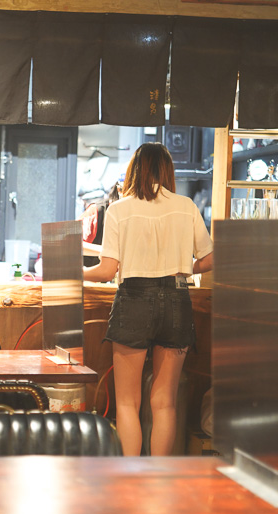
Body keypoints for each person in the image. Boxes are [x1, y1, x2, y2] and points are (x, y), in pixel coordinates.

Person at [84, 143, 213, 456]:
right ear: (167, 170)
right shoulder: (186, 206)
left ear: (135, 170)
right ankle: (159, 478)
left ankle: (131, 477)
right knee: (165, 401)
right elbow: (210, 260)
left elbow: (107, 271)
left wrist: (75, 273)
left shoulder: (119, 209)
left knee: (127, 402)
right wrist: (185, 267)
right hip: (177, 302)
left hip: (134, 301)